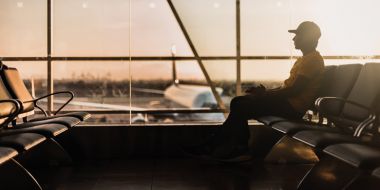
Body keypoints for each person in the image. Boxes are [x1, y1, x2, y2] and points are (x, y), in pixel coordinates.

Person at [187, 21, 325, 162]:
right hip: (287, 104)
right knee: (239, 102)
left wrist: (265, 95)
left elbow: (294, 91)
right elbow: (288, 88)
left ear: (307, 38)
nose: (294, 39)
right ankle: (229, 147)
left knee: (240, 105)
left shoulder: (312, 60)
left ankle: (224, 147)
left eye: (298, 35)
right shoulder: (306, 59)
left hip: (292, 108)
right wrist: (266, 92)